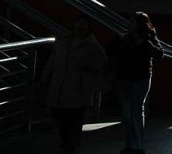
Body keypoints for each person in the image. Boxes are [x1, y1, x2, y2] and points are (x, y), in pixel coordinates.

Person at [44, 16, 107, 154]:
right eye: (79, 24)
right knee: (61, 114)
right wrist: (46, 75)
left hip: (76, 86)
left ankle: (70, 142)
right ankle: (68, 140)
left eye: (83, 25)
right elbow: (53, 60)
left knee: (74, 116)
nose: (80, 27)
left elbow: (99, 65)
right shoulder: (65, 41)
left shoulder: (92, 46)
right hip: (61, 84)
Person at [107, 12, 163, 154]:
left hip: (141, 78)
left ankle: (137, 146)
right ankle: (131, 145)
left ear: (139, 24)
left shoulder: (148, 39)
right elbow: (109, 51)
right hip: (123, 79)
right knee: (127, 113)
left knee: (136, 111)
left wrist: (147, 41)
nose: (128, 24)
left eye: (132, 22)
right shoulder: (123, 38)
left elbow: (159, 54)